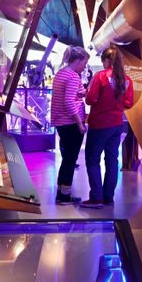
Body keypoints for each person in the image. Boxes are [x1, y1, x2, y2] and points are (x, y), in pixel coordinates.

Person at [80, 45, 134, 208]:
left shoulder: (101, 76)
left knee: (92, 159)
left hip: (99, 124)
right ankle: (108, 197)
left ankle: (96, 198)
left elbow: (90, 99)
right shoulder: (127, 79)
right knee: (112, 160)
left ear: (106, 60)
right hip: (117, 124)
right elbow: (128, 103)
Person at [50, 46, 90, 204]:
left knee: (67, 158)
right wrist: (80, 123)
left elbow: (67, 95)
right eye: (85, 62)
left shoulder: (61, 73)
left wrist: (82, 92)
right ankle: (64, 195)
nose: (85, 66)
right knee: (70, 159)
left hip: (61, 122)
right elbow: (68, 102)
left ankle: (61, 190)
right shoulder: (73, 76)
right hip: (71, 123)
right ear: (78, 60)